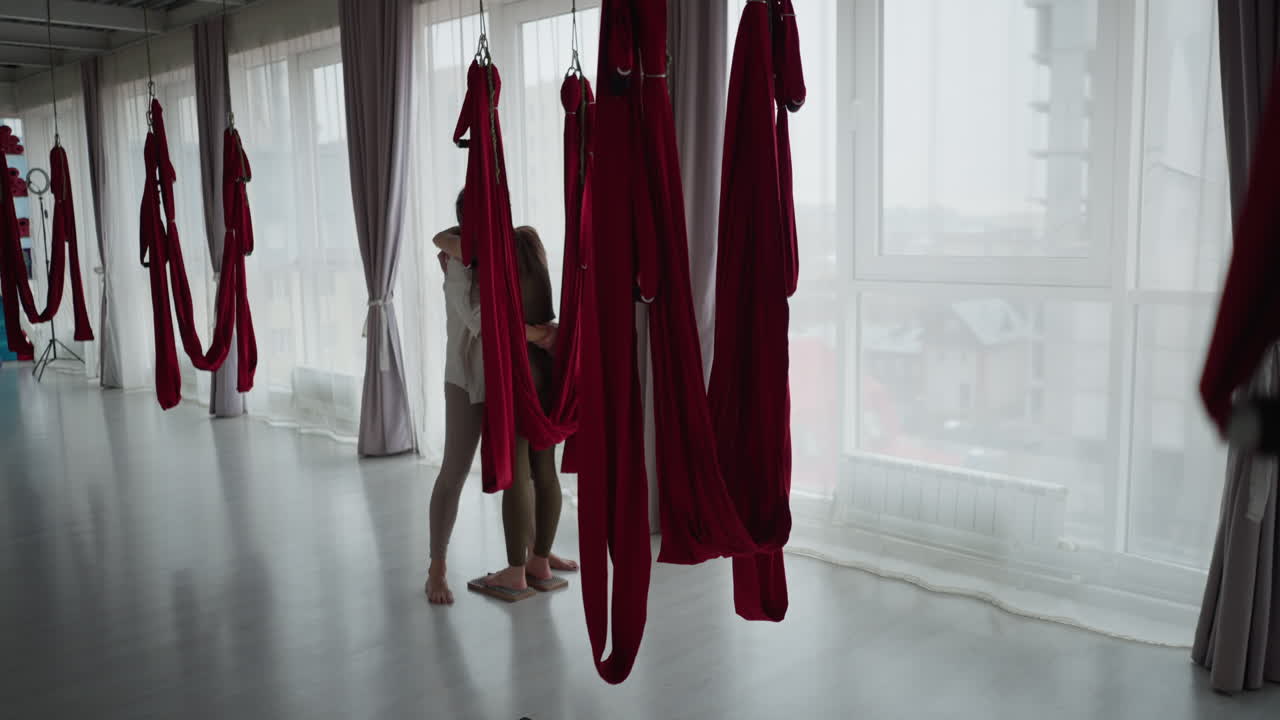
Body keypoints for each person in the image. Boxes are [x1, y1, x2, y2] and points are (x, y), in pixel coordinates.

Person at [425, 191, 576, 605]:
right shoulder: (459, 259)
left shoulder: (514, 249)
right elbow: (482, 322)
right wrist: (545, 334)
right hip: (469, 381)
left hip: (511, 376)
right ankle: (437, 566)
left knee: (527, 468)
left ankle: (535, 555)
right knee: (455, 472)